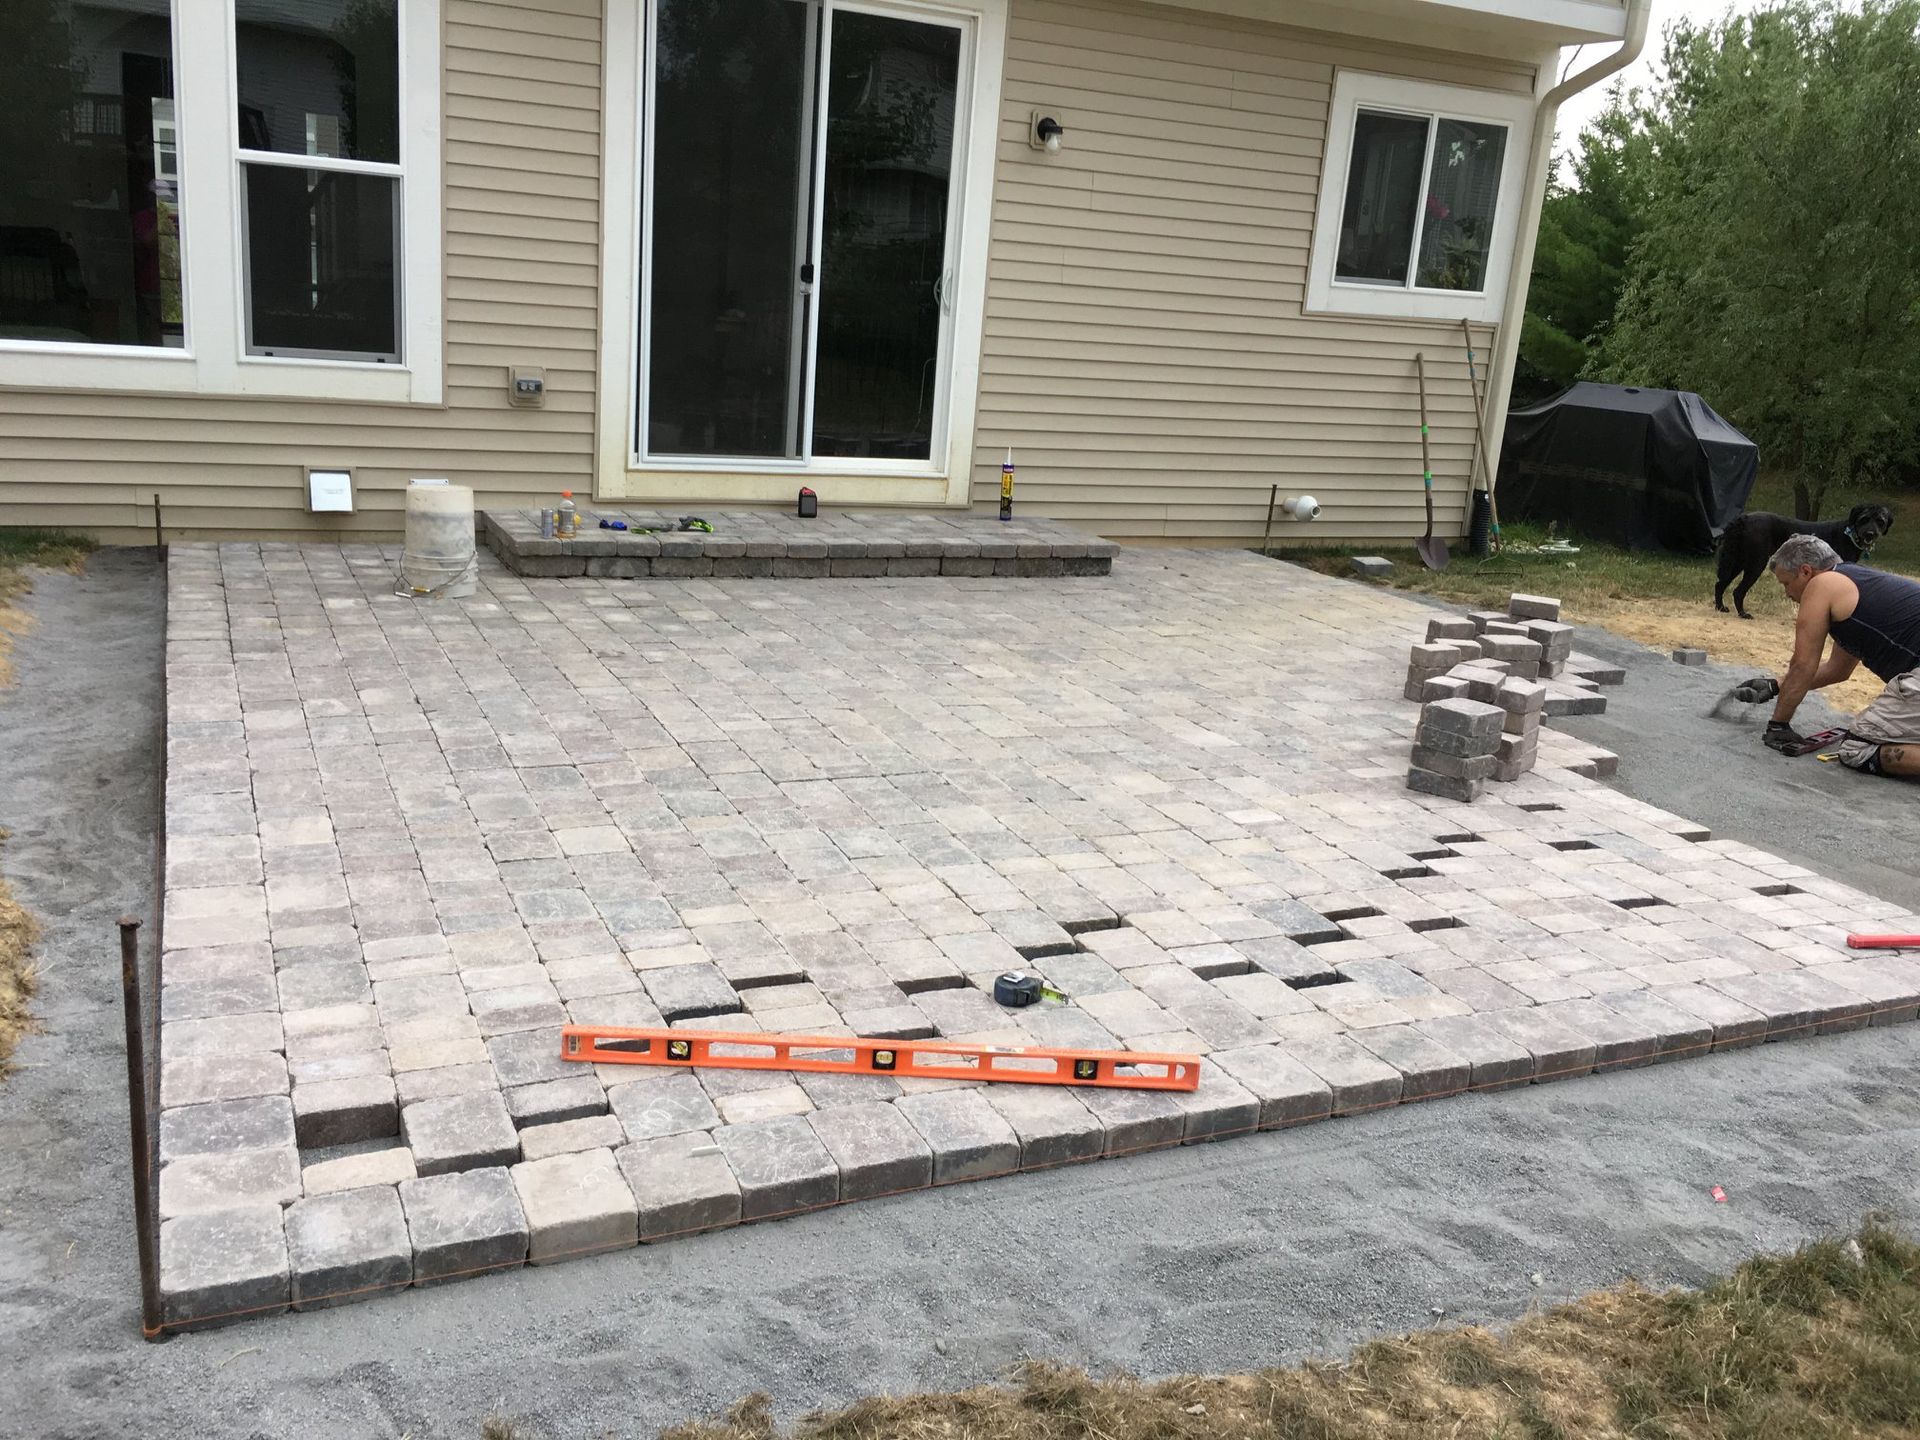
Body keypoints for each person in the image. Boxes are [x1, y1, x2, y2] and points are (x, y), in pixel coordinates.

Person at [1757, 533, 1920, 777]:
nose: (1786, 594)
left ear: (1805, 572)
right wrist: (1775, 685)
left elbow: (1803, 664)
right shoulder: (1854, 586)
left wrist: (1778, 724)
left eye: (1786, 583)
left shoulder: (1822, 585)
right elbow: (1837, 669)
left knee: (1857, 749)